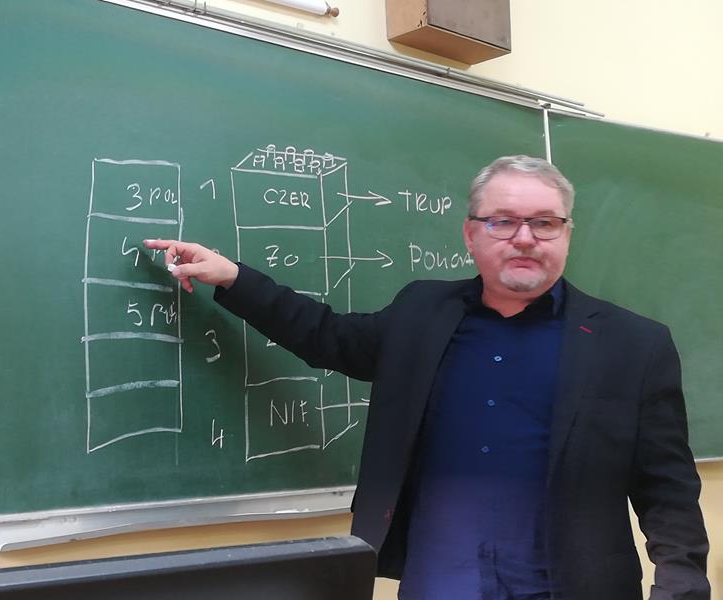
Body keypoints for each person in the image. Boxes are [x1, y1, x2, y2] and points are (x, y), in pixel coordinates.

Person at [144, 155, 709, 600]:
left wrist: (680, 588)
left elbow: (668, 489)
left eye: (544, 222)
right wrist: (233, 278)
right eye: (502, 221)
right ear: (470, 234)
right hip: (441, 582)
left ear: (566, 232)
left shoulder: (634, 344)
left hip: (574, 587)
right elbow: (325, 336)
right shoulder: (421, 312)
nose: (524, 237)